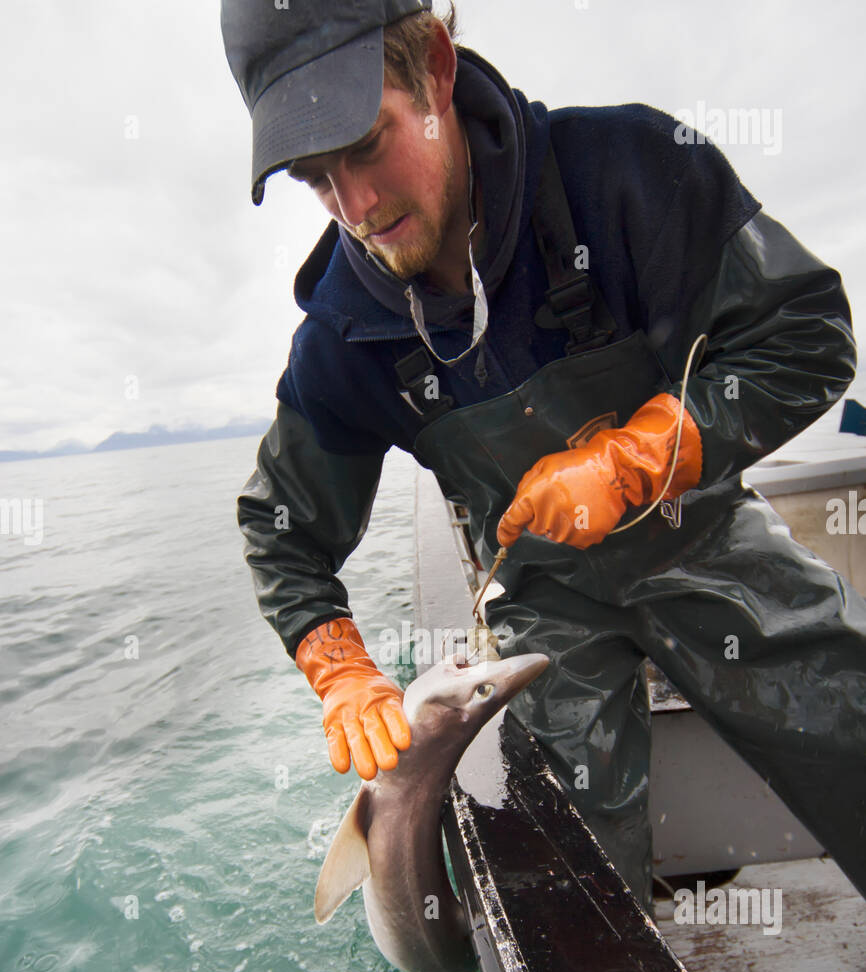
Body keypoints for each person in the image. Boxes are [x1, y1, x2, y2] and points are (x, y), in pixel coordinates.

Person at [221, 0, 865, 913]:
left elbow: (807, 337)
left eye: (366, 145)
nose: (357, 208)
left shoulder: (631, 170)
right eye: (314, 179)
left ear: (436, 70)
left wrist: (639, 459)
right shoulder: (339, 342)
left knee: (847, 717)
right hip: (540, 602)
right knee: (569, 873)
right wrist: (339, 667)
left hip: (701, 531)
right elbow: (282, 533)